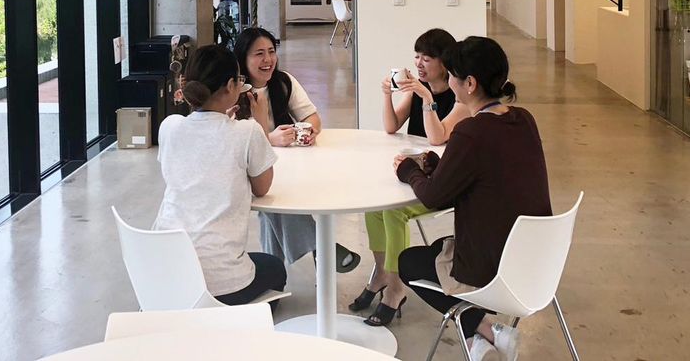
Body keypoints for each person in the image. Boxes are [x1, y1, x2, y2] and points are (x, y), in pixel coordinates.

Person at [396, 36, 552, 361]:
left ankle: (485, 330)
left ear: (469, 83)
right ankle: (481, 341)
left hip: (495, 267)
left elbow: (433, 197)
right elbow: (486, 175)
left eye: (453, 75)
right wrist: (439, 165)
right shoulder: (524, 119)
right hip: (538, 259)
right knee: (437, 249)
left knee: (410, 261)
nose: (449, 81)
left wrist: (408, 171)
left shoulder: (471, 132)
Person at [351, 28, 471, 327]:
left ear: (444, 62)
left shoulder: (459, 97)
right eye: (416, 56)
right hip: (415, 175)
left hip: (442, 182)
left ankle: (396, 289)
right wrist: (387, 95)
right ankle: (382, 274)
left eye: (426, 58)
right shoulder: (419, 89)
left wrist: (427, 98)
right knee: (374, 206)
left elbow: (437, 137)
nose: (418, 63)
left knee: (393, 212)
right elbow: (391, 126)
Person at [153, 44, 287, 305]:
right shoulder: (246, 132)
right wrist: (258, 123)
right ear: (230, 86)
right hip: (223, 282)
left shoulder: (169, 127)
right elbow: (262, 187)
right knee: (274, 268)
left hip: (164, 277)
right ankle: (231, 320)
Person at [234, 27, 360, 272]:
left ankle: (275, 275)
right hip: (249, 169)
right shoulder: (233, 93)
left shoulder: (283, 82)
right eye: (259, 54)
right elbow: (237, 142)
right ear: (243, 59)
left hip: (283, 166)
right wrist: (269, 139)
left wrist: (309, 131)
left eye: (271, 51)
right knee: (274, 196)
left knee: (273, 206)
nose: (268, 60)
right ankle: (321, 247)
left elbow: (312, 118)